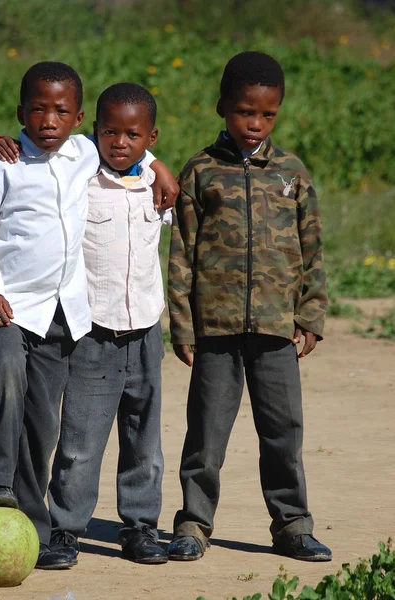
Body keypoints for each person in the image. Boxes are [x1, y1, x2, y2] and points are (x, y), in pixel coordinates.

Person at [0, 62, 177, 571]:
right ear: (20, 114)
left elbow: (128, 146)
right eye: (38, 109)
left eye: (60, 111)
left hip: (63, 314)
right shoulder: (2, 167)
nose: (49, 120)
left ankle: (33, 528)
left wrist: (159, 165)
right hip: (10, 308)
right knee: (8, 373)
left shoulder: (84, 153)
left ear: (78, 119)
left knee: (43, 424)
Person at [166, 51, 332, 563]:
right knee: (206, 435)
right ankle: (193, 525)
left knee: (283, 433)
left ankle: (292, 526)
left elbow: (312, 251)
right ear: (223, 108)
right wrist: (182, 325)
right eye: (244, 112)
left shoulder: (292, 173)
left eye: (267, 115)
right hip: (214, 330)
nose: (255, 124)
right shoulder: (200, 171)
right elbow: (181, 255)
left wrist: (310, 316)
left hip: (277, 328)